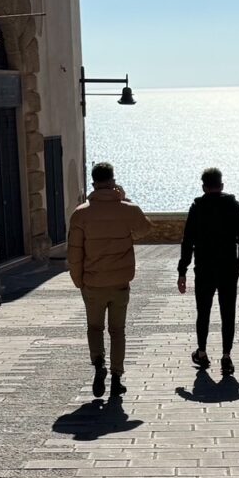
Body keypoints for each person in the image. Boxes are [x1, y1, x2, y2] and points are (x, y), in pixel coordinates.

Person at [68, 162, 152, 398]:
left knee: (94, 328)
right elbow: (145, 229)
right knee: (118, 331)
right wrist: (124, 199)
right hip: (119, 284)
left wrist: (79, 281)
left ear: (93, 182)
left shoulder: (80, 213)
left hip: (92, 284)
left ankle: (98, 366)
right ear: (113, 180)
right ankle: (116, 378)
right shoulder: (127, 210)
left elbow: (74, 253)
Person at [177, 168, 239, 376]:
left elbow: (187, 241)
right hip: (228, 268)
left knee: (203, 312)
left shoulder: (197, 208)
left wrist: (183, 270)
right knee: (228, 313)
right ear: (222, 185)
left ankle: (201, 352)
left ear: (203, 187)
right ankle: (226, 357)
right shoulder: (233, 206)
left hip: (204, 268)